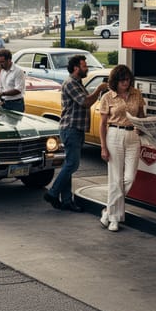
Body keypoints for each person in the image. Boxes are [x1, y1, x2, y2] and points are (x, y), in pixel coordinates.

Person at [44, 55, 108, 212]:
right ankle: (53, 192)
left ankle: (66, 201)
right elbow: (85, 102)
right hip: (71, 128)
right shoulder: (71, 83)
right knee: (73, 164)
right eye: (84, 66)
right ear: (76, 68)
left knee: (68, 164)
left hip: (76, 128)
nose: (87, 68)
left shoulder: (78, 82)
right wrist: (99, 89)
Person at [98, 65, 145, 232]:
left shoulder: (136, 93)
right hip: (114, 135)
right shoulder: (107, 97)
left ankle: (108, 211)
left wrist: (143, 126)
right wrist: (103, 147)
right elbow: (102, 124)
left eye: (128, 79)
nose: (126, 82)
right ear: (115, 81)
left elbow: (141, 116)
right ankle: (115, 219)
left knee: (129, 178)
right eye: (122, 79)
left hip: (133, 136)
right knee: (116, 179)